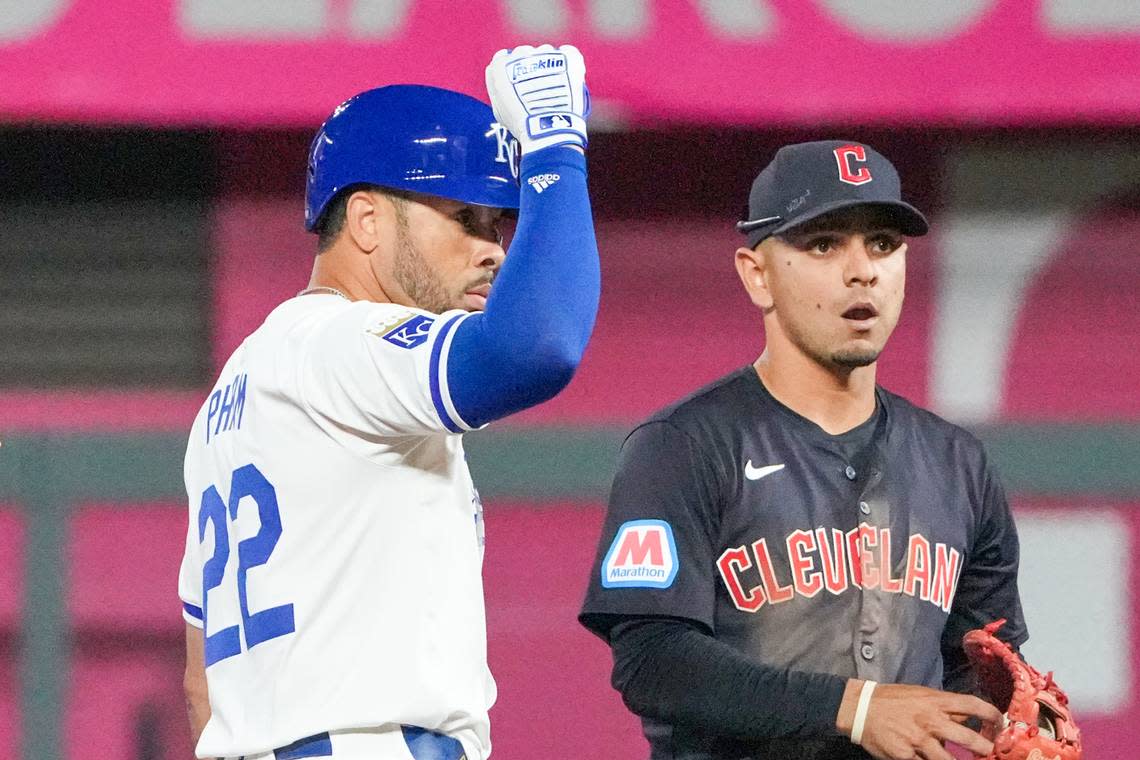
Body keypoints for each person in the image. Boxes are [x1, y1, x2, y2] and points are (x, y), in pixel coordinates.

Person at [178, 44, 597, 760]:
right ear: (367, 221)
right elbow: (538, 346)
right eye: (464, 216)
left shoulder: (236, 387)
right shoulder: (340, 344)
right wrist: (557, 148)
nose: (494, 247)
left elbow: (200, 684)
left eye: (498, 223)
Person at [579, 140, 1025, 760]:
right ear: (756, 274)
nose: (862, 269)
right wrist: (855, 707)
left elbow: (982, 660)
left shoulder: (959, 464)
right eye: (823, 244)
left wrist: (1013, 723)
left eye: (883, 244)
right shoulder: (684, 446)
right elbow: (654, 660)